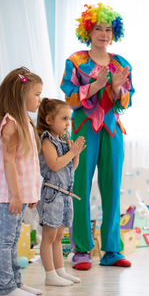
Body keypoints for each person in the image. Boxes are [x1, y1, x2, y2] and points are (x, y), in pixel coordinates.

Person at [60, 3, 134, 270]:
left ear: (114, 33)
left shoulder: (122, 64)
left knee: (112, 188)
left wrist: (115, 88)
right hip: (82, 128)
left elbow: (125, 103)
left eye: (108, 29)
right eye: (98, 28)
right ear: (88, 31)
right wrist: (94, 86)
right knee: (79, 186)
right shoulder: (76, 61)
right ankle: (81, 249)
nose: (104, 33)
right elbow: (69, 97)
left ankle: (112, 249)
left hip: (112, 129)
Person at [0, 67, 43, 296]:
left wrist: (31, 194)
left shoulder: (25, 121)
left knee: (13, 240)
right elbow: (9, 162)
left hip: (21, 196)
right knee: (5, 242)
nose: (39, 99)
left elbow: (29, 164)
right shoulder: (12, 124)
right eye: (36, 94)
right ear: (21, 93)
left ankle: (15, 282)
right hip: (8, 197)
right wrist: (16, 196)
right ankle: (5, 287)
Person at [36, 98, 86, 286]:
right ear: (49, 120)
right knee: (49, 237)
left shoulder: (63, 140)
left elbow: (72, 167)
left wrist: (76, 153)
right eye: (64, 118)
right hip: (52, 194)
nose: (68, 123)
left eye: (69, 119)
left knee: (59, 237)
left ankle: (60, 271)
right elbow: (54, 165)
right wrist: (71, 152)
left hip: (65, 194)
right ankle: (50, 275)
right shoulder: (48, 140)